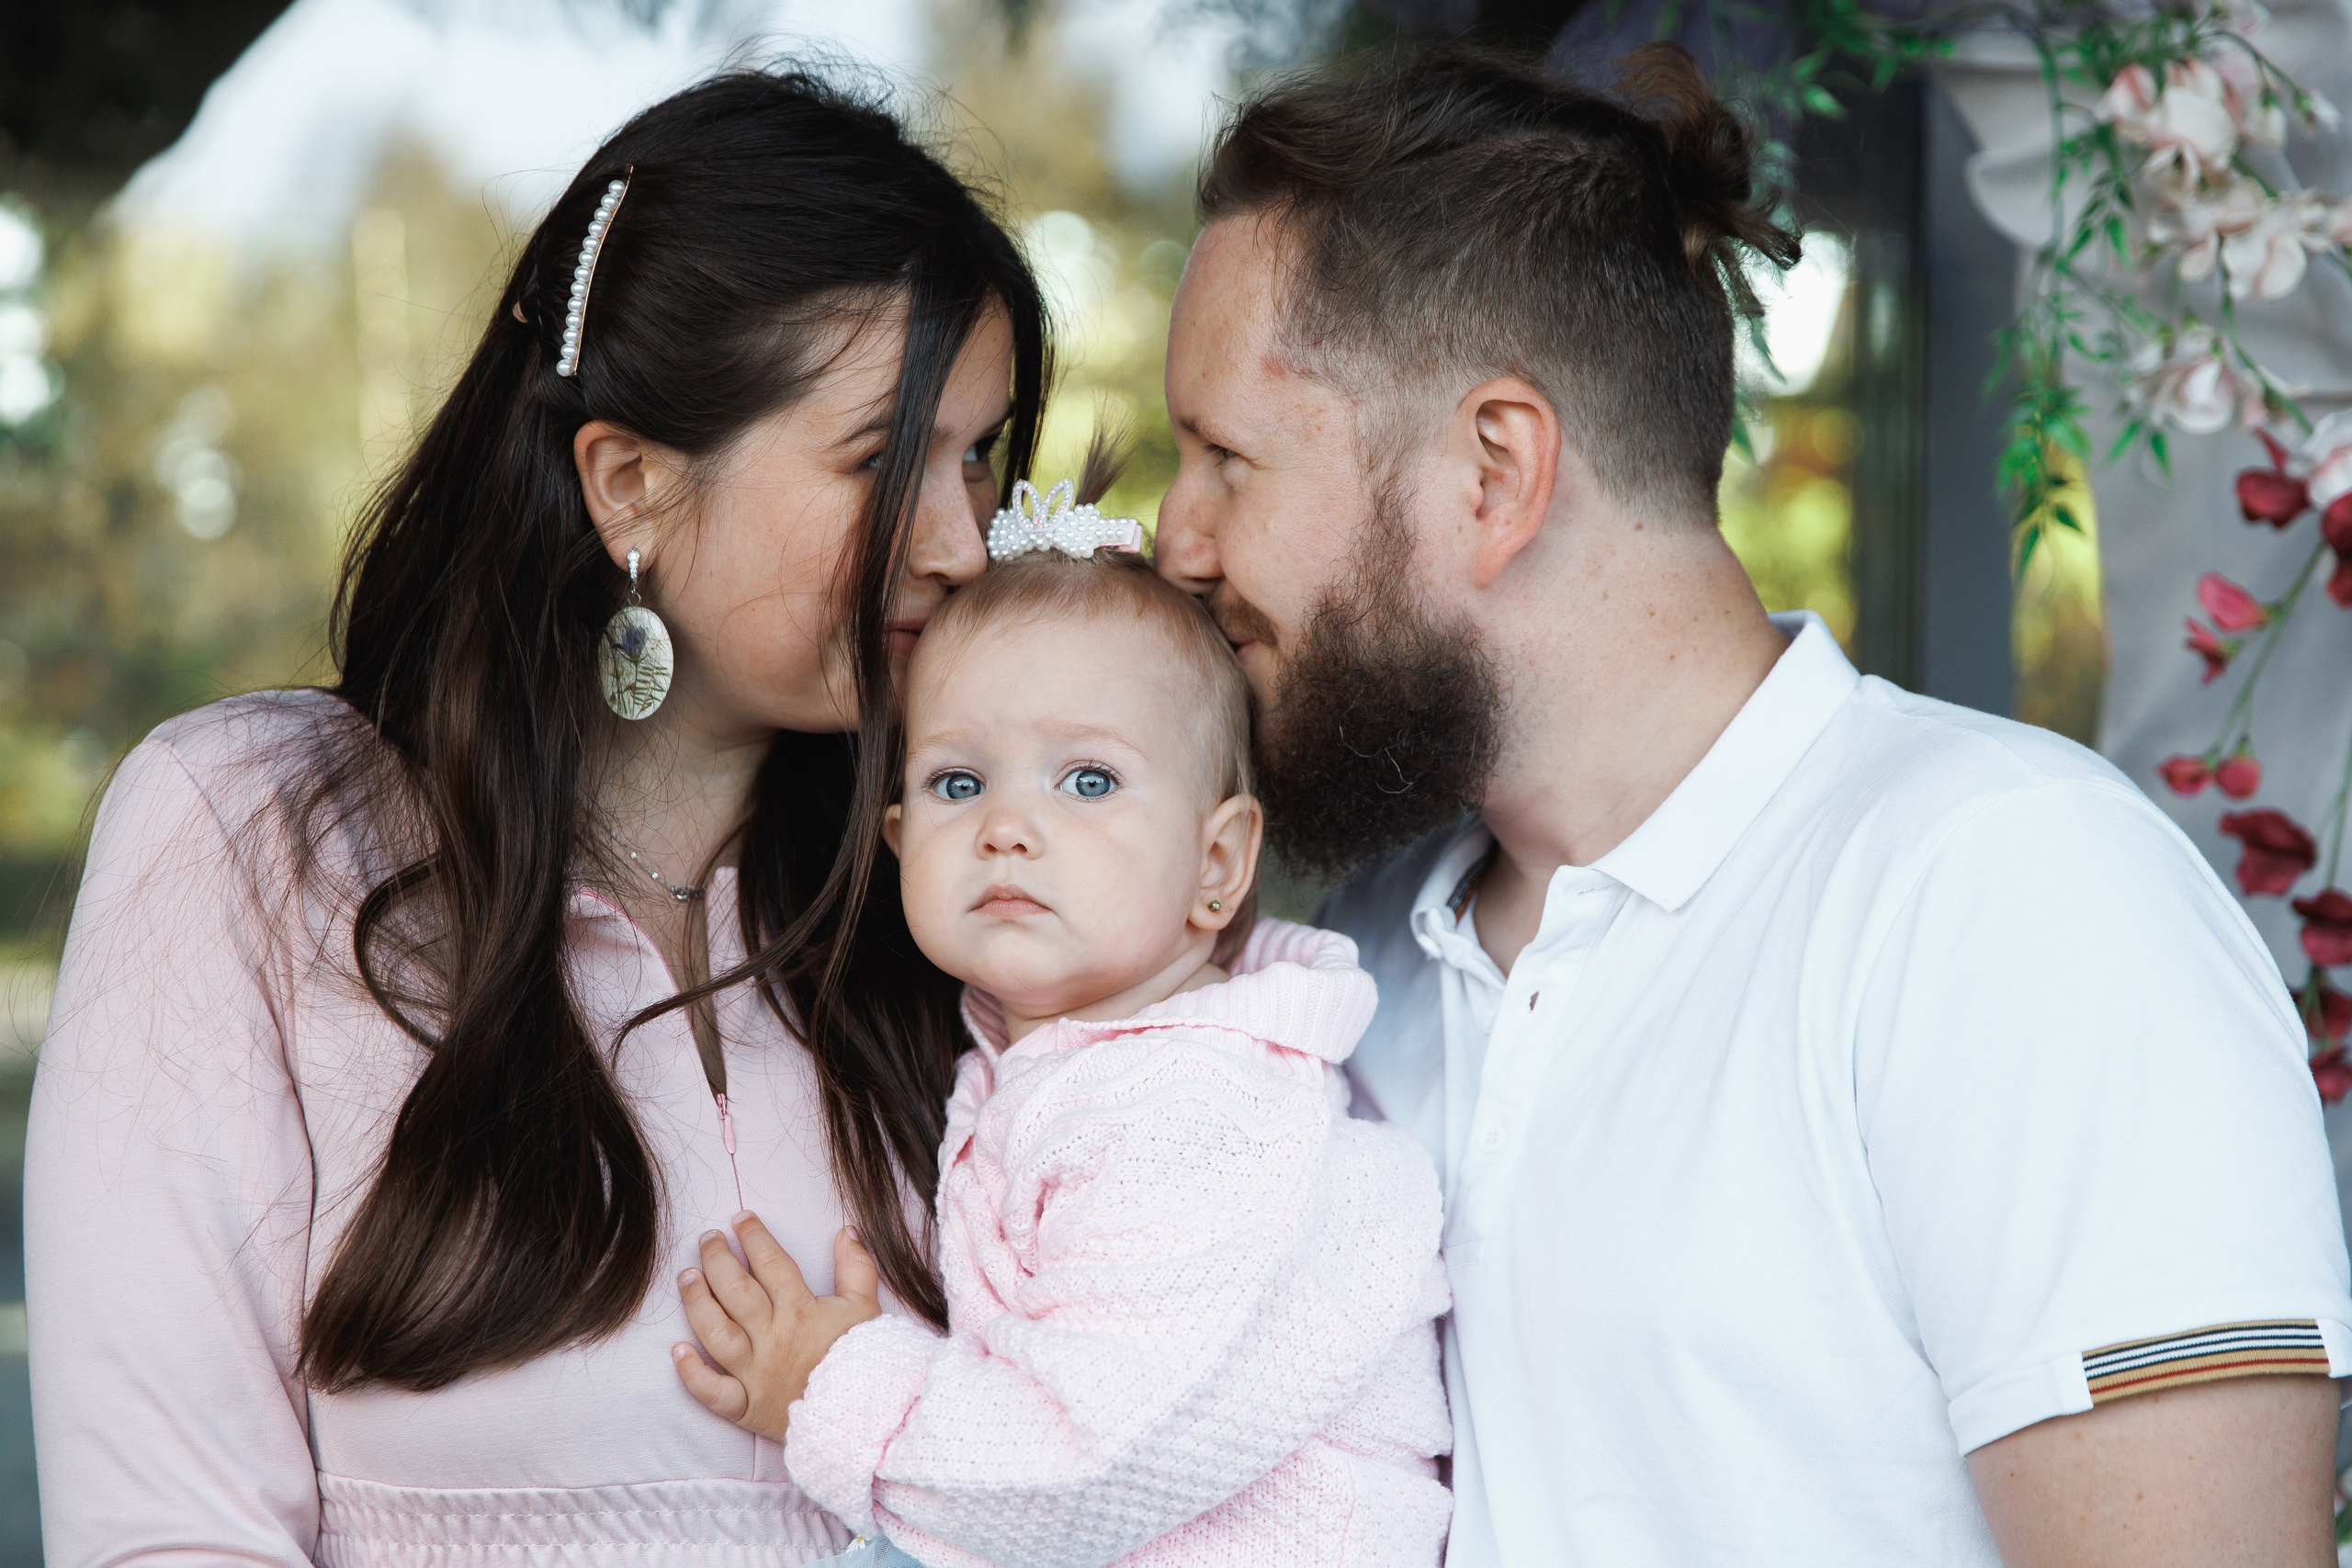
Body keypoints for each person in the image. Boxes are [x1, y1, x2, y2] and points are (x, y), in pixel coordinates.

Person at [1154, 39, 2352, 1567]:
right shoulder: (1352, 958)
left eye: (1227, 457)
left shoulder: (2014, 897)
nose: (1175, 538)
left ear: (1494, 472)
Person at [27, 67, 1049, 1566]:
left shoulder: (987, 885)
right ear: (629, 484)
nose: (963, 541)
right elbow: (164, 1531)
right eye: (883, 463)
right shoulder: (251, 835)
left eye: (979, 455)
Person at [670, 500, 1453, 1568]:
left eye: (1088, 781)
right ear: (898, 840)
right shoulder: (1047, 1067)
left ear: (1217, 864)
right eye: (957, 783)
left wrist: (833, 1386)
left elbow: (1084, 1456)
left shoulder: (1206, 1107)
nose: (1006, 826)